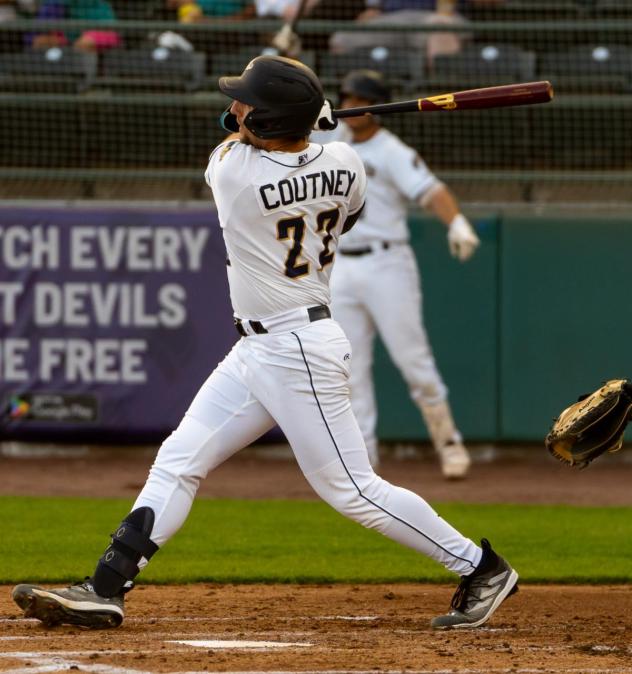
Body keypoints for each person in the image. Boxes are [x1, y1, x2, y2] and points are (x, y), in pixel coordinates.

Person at [11, 55, 517, 631]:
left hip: (297, 349)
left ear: (270, 122)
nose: (234, 109)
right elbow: (343, 211)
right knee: (179, 459)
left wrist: (302, 121)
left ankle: (481, 567)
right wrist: (310, 124)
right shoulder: (348, 160)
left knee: (351, 489)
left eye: (246, 103)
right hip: (261, 348)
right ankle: (103, 589)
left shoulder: (233, 172)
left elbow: (233, 135)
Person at [314, 69, 479, 479]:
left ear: (377, 105)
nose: (351, 106)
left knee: (413, 361)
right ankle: (363, 459)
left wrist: (456, 222)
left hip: (387, 263)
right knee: (350, 367)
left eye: (360, 100)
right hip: (340, 266)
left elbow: (431, 190)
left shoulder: (390, 150)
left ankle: (449, 443)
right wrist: (280, 50)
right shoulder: (331, 142)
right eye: (347, 99)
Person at [30, 0, 121, 53]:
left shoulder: (99, 5)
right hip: (70, 36)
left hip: (103, 34)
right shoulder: (60, 5)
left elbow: (107, 28)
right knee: (40, 41)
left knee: (85, 42)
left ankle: (86, 80)